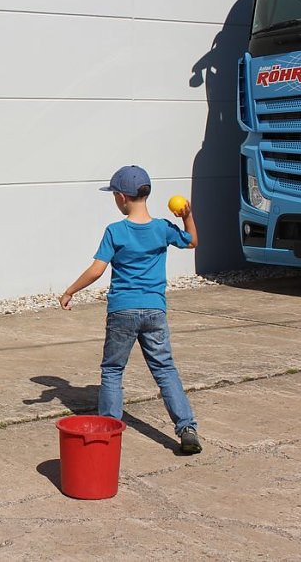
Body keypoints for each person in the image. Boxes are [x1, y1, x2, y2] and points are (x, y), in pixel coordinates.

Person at [58, 165, 202, 454]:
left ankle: (108, 431)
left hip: (122, 311)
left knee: (113, 370)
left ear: (122, 197)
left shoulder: (115, 231)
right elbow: (193, 242)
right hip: (154, 311)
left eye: (114, 195)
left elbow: (97, 270)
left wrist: (69, 290)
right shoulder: (163, 228)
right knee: (164, 370)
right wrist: (187, 215)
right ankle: (186, 427)